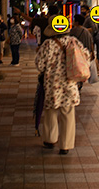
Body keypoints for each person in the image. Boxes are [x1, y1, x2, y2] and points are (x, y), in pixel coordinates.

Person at [35, 16, 90, 155]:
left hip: (52, 84)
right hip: (70, 82)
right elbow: (86, 57)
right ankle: (65, 145)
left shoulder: (48, 44)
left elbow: (39, 64)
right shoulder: (74, 41)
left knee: (51, 111)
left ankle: (50, 139)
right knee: (68, 113)